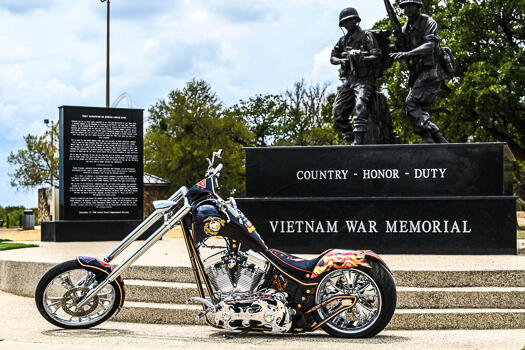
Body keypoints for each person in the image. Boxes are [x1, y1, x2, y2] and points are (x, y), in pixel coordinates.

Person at [390, 0, 448, 143]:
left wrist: (408, 53)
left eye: (410, 6)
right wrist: (397, 42)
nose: (406, 9)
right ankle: (439, 140)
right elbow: (401, 50)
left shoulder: (429, 22)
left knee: (412, 103)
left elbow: (430, 44)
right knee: (415, 107)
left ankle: (427, 138)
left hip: (431, 70)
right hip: (418, 73)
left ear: (417, 6)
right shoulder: (405, 28)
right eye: (404, 7)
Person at [330, 8, 384, 145]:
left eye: (350, 20)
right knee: (337, 112)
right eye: (345, 22)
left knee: (360, 105)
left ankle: (359, 141)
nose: (348, 24)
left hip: (365, 79)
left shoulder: (366, 36)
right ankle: (350, 140)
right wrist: (343, 60)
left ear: (356, 21)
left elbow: (377, 55)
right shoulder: (343, 40)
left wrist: (361, 56)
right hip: (350, 80)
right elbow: (332, 58)